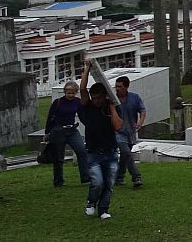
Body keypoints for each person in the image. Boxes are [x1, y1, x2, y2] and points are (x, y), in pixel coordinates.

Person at [78, 60, 123, 220]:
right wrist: (87, 68)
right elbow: (82, 89)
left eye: (99, 98)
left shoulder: (111, 109)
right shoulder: (88, 107)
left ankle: (103, 209)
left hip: (110, 151)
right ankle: (91, 202)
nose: (96, 101)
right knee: (97, 182)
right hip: (94, 153)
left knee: (109, 184)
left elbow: (118, 126)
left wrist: (111, 107)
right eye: (94, 98)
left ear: (104, 97)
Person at [44, 81, 90, 187]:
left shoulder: (77, 102)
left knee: (81, 151)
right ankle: (58, 181)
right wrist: (47, 133)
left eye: (73, 93)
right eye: (68, 93)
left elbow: (82, 116)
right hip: (58, 130)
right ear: (65, 92)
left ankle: (85, 177)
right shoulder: (58, 102)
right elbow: (50, 118)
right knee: (58, 157)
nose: (70, 95)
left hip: (72, 129)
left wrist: (90, 126)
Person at [113, 75, 145, 188]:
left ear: (126, 87)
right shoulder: (113, 100)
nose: (117, 89)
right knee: (126, 153)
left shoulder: (134, 98)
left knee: (125, 157)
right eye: (116, 86)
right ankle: (136, 177)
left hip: (130, 132)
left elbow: (142, 110)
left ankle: (119, 177)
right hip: (118, 132)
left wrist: (140, 122)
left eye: (120, 86)